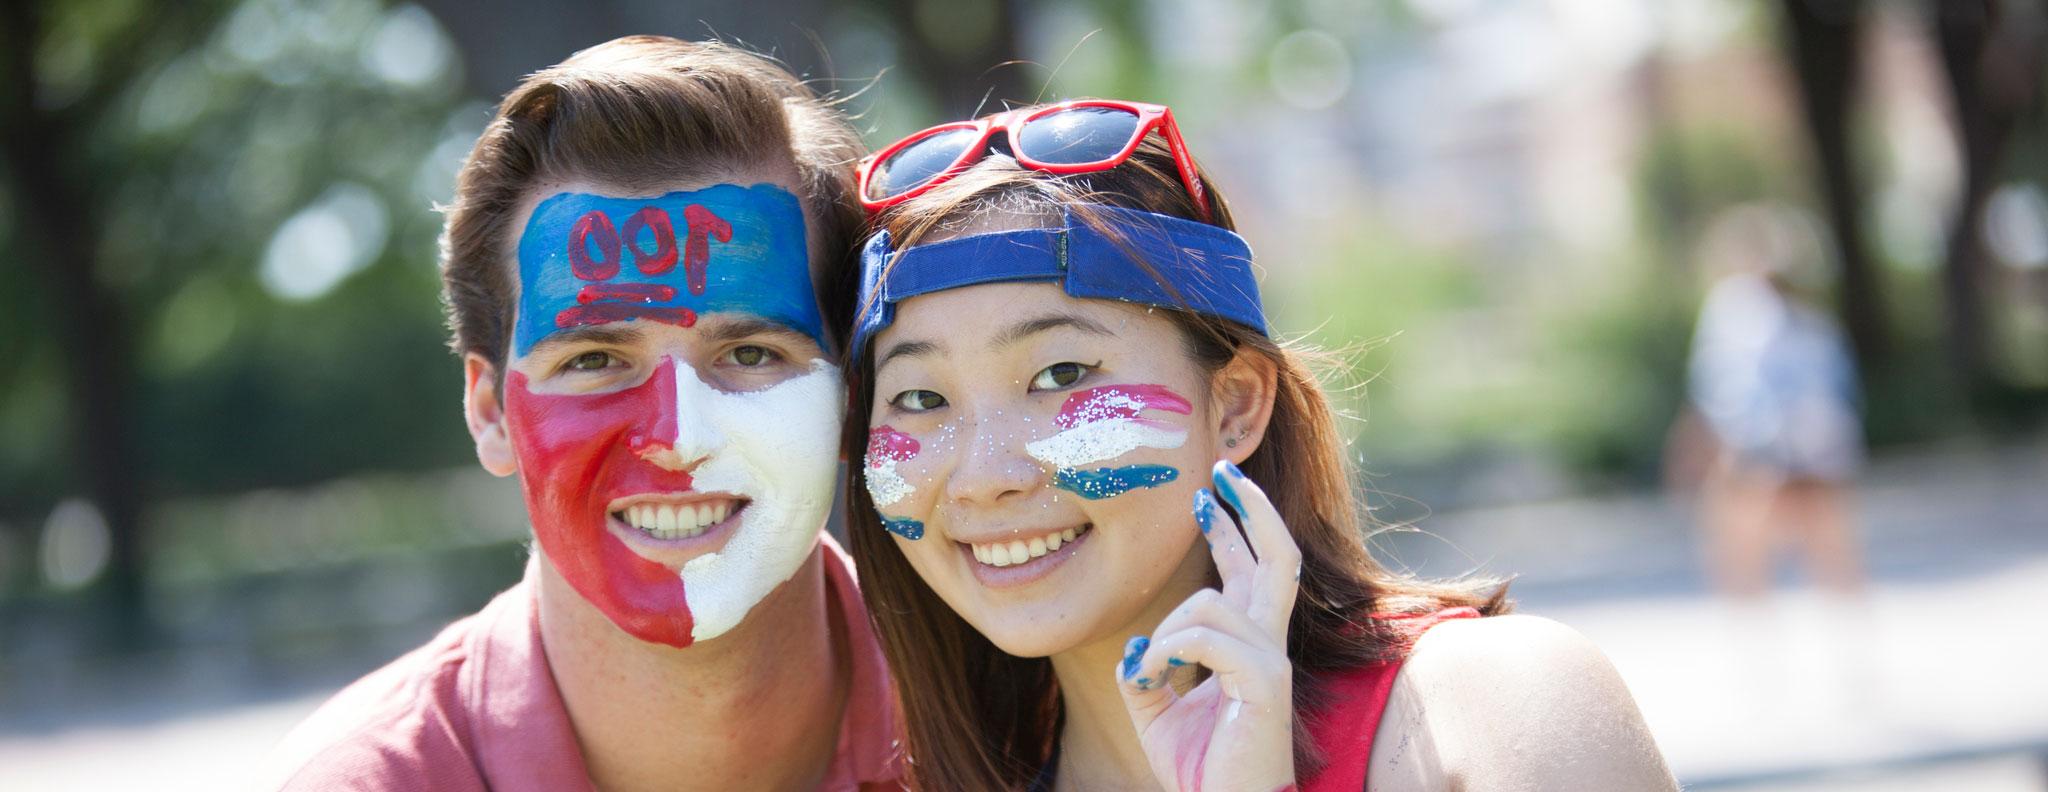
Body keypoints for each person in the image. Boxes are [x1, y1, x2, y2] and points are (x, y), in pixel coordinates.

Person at [841, 100, 1677, 790]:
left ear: (1235, 407)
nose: (985, 475)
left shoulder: (1492, 711)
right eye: (920, 398)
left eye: (1060, 375)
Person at [258, 37, 902, 791]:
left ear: (852, 396)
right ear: (490, 411)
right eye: (593, 362)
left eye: (752, 353)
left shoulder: (1029, 731)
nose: (677, 437)